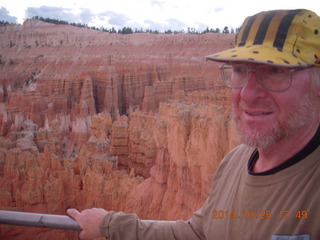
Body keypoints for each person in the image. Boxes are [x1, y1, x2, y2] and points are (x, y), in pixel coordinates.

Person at [67, 9, 320, 240]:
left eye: (275, 71)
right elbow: (200, 233)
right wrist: (111, 225)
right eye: (240, 70)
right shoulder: (234, 163)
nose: (248, 93)